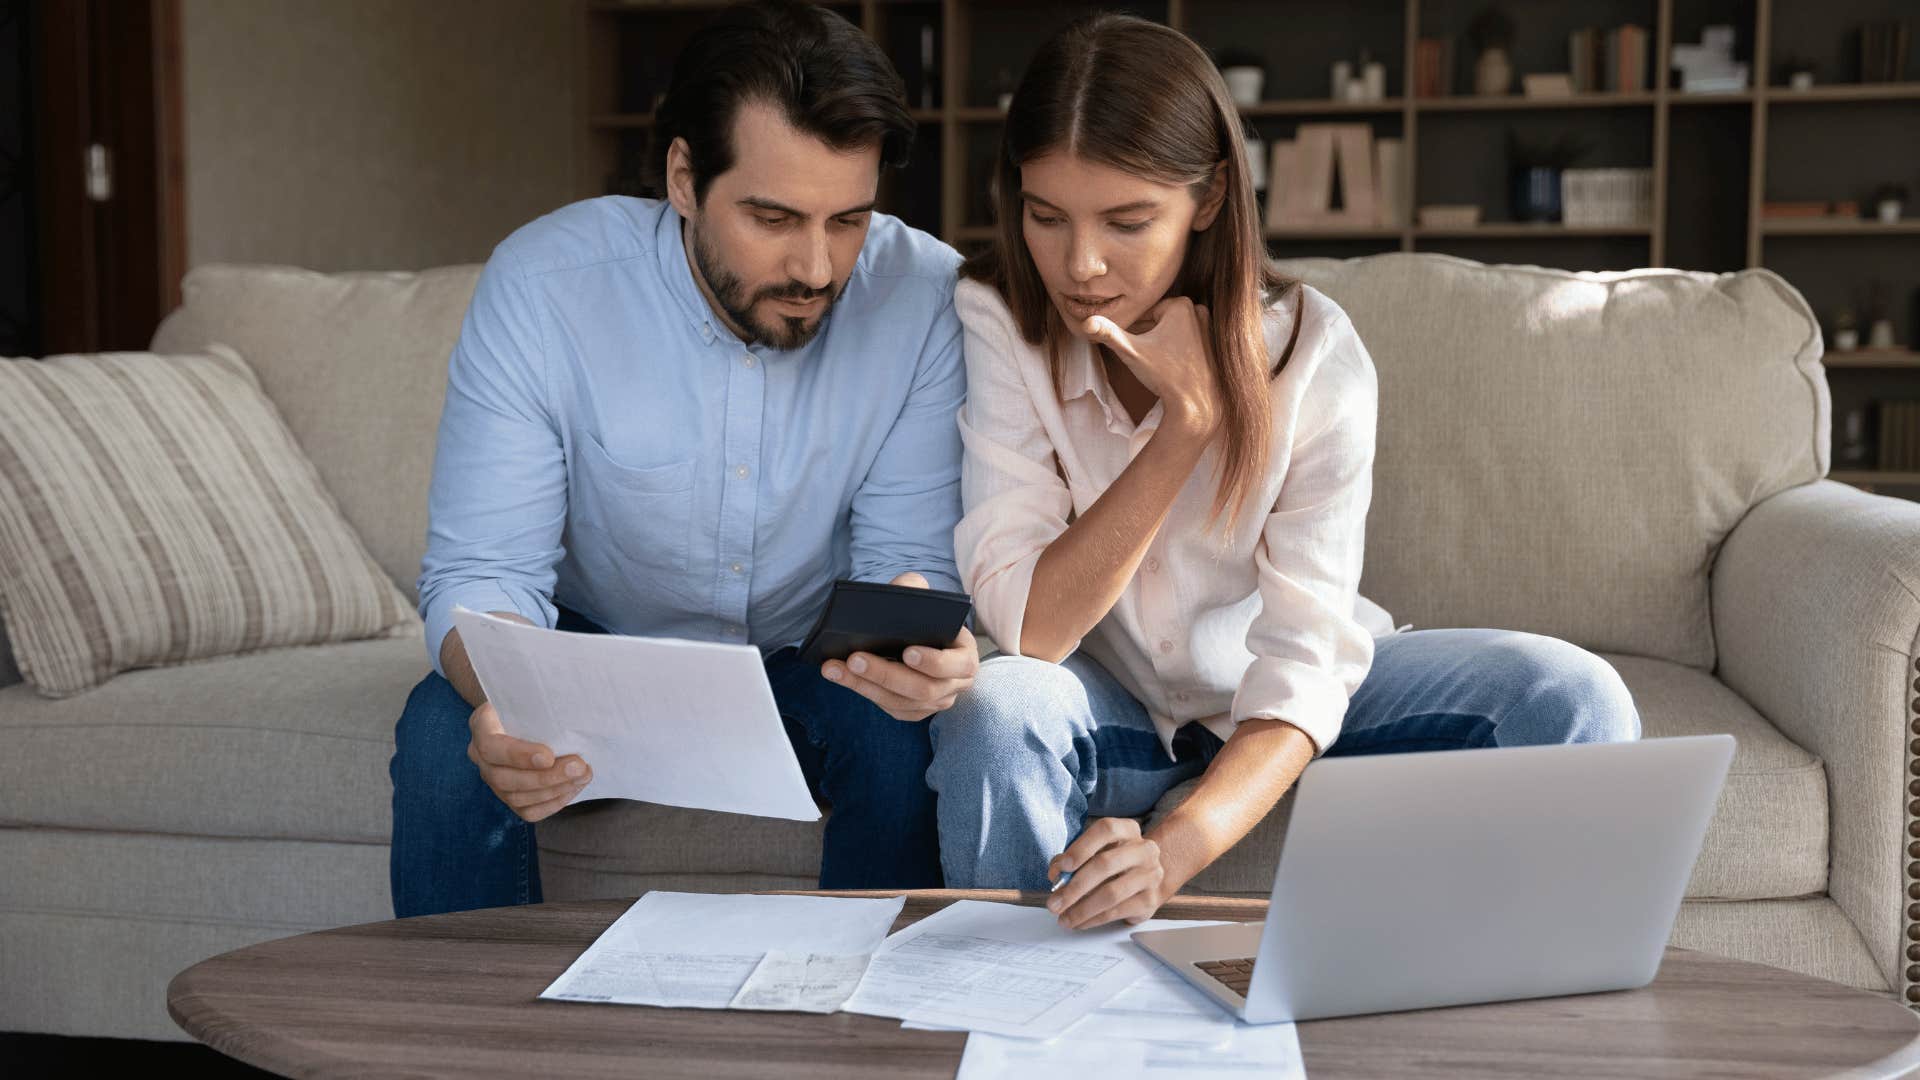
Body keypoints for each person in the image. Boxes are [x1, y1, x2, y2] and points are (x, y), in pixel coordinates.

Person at [926, 14, 1642, 930]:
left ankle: (1540, 1031)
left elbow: (1305, 664)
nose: (1081, 264)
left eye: (1128, 220)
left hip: (1276, 701)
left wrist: (1172, 849)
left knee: (1571, 696)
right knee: (996, 708)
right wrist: (1184, 428)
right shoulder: (998, 318)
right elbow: (1033, 626)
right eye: (1046, 216)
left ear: (1212, 198)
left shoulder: (1315, 354)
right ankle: (1013, 1028)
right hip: (1108, 707)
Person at [390, 0, 980, 918]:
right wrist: (509, 693)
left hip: (805, 656)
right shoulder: (545, 288)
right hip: (594, 647)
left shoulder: (924, 296)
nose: (818, 268)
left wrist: (917, 639)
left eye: (849, 220)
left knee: (898, 738)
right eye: (773, 217)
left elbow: (902, 562)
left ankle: (869, 1039)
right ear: (682, 177)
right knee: (441, 735)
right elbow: (483, 572)